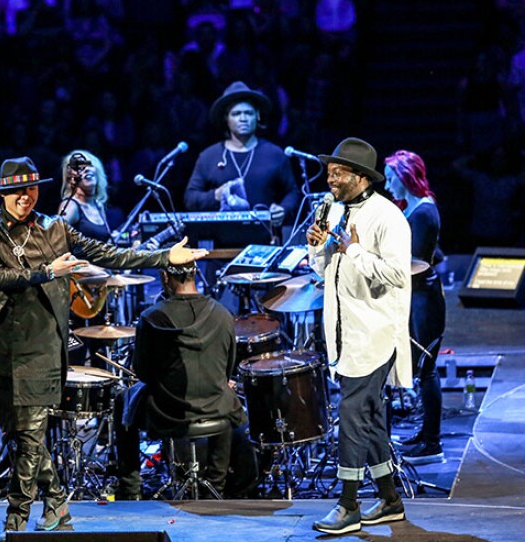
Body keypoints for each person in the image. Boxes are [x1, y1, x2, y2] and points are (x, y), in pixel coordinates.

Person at [0, 157, 207, 533]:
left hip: (42, 348)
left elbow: (110, 255)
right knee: (20, 437)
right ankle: (58, 503)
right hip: (1, 348)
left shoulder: (56, 227)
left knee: (29, 437)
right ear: (3, 193)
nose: (24, 197)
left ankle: (15, 520)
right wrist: (49, 272)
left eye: (30, 189)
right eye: (16, 191)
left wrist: (164, 257)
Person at [307, 138, 413, 535]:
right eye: (330, 172)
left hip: (375, 334)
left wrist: (352, 250)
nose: (330, 178)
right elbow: (326, 273)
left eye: (338, 173)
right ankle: (389, 500)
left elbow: (397, 275)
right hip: (343, 333)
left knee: (352, 413)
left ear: (361, 177)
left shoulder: (389, 217)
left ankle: (348, 503)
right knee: (368, 418)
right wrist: (318, 249)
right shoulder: (335, 210)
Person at [113, 263, 257, 500]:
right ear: (194, 273)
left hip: (168, 413)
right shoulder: (222, 314)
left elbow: (143, 372)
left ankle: (130, 489)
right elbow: (227, 368)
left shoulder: (151, 318)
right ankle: (216, 486)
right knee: (226, 395)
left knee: (121, 401)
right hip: (216, 408)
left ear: (165, 276)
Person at [384, 150, 447, 465]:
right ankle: (425, 436)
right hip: (416, 297)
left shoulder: (423, 212)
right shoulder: (415, 208)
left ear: (405, 177)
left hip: (424, 300)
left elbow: (419, 263)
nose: (388, 184)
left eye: (391, 177)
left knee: (426, 370)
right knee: (423, 370)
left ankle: (432, 442)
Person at [184, 81, 300, 233]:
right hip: (220, 244)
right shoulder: (208, 156)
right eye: (236, 114)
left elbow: (292, 191)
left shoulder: (274, 154)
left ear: (257, 116)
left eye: (248, 113)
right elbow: (190, 198)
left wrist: (283, 209)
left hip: (265, 241)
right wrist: (215, 196)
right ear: (226, 118)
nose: (243, 118)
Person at [58, 150, 112, 242]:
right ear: (71, 179)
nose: (87, 169)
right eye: (80, 168)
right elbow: (56, 236)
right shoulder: (71, 206)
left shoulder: (98, 205)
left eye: (89, 165)